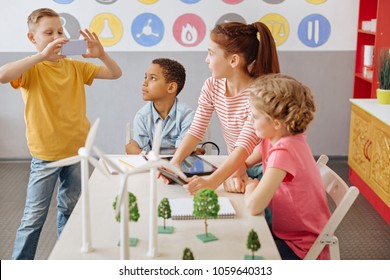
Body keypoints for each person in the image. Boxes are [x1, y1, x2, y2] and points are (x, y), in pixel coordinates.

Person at [0, 8, 122, 259]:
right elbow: (3, 75)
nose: (57, 36)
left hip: (77, 152)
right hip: (45, 155)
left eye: (60, 31)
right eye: (48, 32)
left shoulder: (76, 67)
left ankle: (66, 262)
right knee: (33, 217)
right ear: (32, 38)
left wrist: (102, 55)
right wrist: (40, 57)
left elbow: (114, 73)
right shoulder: (31, 69)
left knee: (70, 211)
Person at [161, 21, 280, 194]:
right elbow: (196, 130)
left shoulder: (259, 94)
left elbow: (246, 144)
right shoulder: (212, 85)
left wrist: (214, 180)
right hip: (237, 164)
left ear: (233, 60)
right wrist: (174, 162)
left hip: (265, 168)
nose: (206, 59)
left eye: (211, 53)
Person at [244, 74, 331, 260]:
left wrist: (251, 187)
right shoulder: (276, 139)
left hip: (300, 247)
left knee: (243, 253)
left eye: (255, 116)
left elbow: (253, 206)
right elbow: (244, 161)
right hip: (286, 234)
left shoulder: (285, 150)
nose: (251, 120)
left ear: (275, 123)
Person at [125, 58, 201, 155]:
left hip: (179, 169)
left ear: (171, 87)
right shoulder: (142, 116)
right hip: (151, 169)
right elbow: (141, 158)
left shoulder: (187, 116)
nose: (144, 83)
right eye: (145, 77)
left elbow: (181, 155)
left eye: (153, 78)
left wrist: (141, 152)